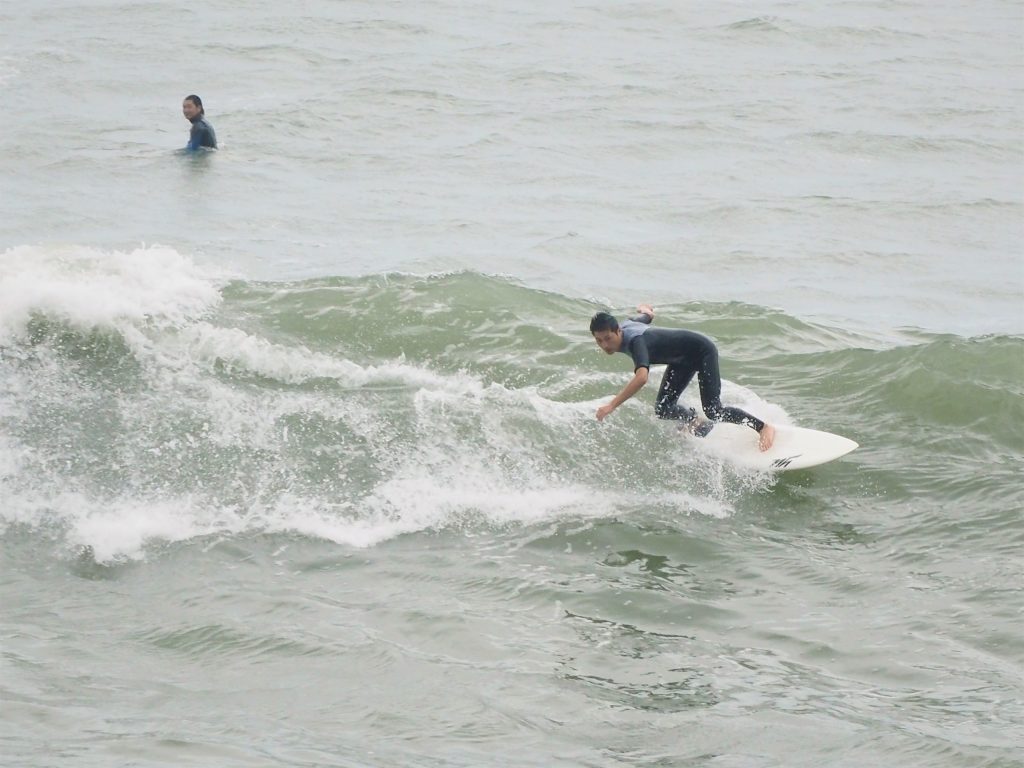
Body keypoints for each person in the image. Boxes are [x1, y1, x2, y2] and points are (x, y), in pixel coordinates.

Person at [591, 304, 776, 451]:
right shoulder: (624, 324)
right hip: (681, 360)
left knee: (713, 410)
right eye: (599, 340)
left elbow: (641, 377)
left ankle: (763, 427)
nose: (605, 345)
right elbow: (646, 318)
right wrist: (646, 311)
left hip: (702, 351)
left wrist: (611, 405)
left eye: (608, 338)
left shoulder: (635, 341)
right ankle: (696, 421)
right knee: (663, 409)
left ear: (618, 331)